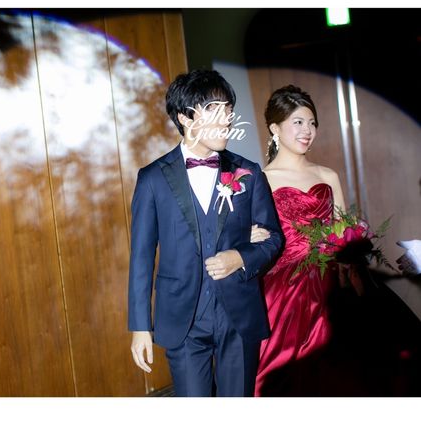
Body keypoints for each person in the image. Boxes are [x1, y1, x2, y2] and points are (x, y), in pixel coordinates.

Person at [128, 69, 284, 397]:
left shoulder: (249, 172)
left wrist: (240, 257)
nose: (226, 119)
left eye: (229, 110)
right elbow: (141, 258)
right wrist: (140, 326)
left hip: (238, 317)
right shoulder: (153, 179)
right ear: (185, 117)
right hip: (182, 320)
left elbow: (273, 239)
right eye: (214, 109)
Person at [253, 85, 347, 396]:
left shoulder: (328, 176)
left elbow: (344, 233)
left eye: (312, 123)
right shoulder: (260, 180)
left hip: (329, 282)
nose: (307, 131)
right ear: (274, 128)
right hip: (283, 288)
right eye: (298, 122)